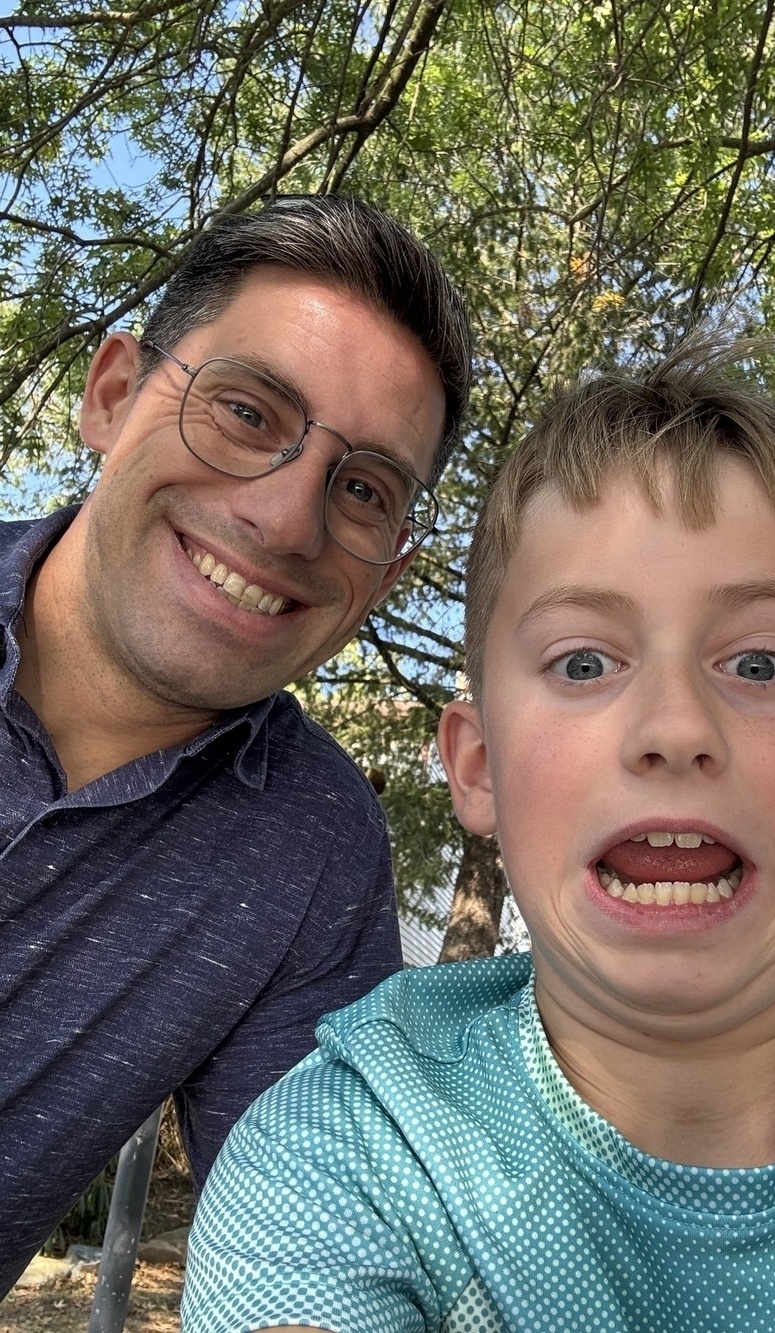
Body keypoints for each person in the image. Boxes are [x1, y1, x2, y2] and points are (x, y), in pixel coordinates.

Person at [181, 344, 775, 1332]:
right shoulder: (352, 1144)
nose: (673, 729)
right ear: (477, 766)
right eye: (580, 662)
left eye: (756, 660)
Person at [0, 194, 471, 1293]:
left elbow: (308, 1245)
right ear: (113, 394)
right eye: (250, 412)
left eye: (361, 489)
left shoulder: (311, 847)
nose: (285, 519)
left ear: (387, 573)